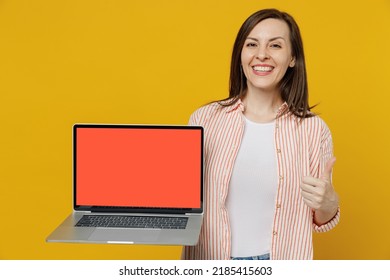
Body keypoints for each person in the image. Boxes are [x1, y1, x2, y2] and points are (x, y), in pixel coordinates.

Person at [183, 8, 340, 260]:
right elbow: (182, 199)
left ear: (292, 58)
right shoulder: (204, 120)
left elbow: (320, 217)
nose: (262, 55)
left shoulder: (313, 130)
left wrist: (329, 203)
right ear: (241, 55)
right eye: (252, 44)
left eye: (275, 45)